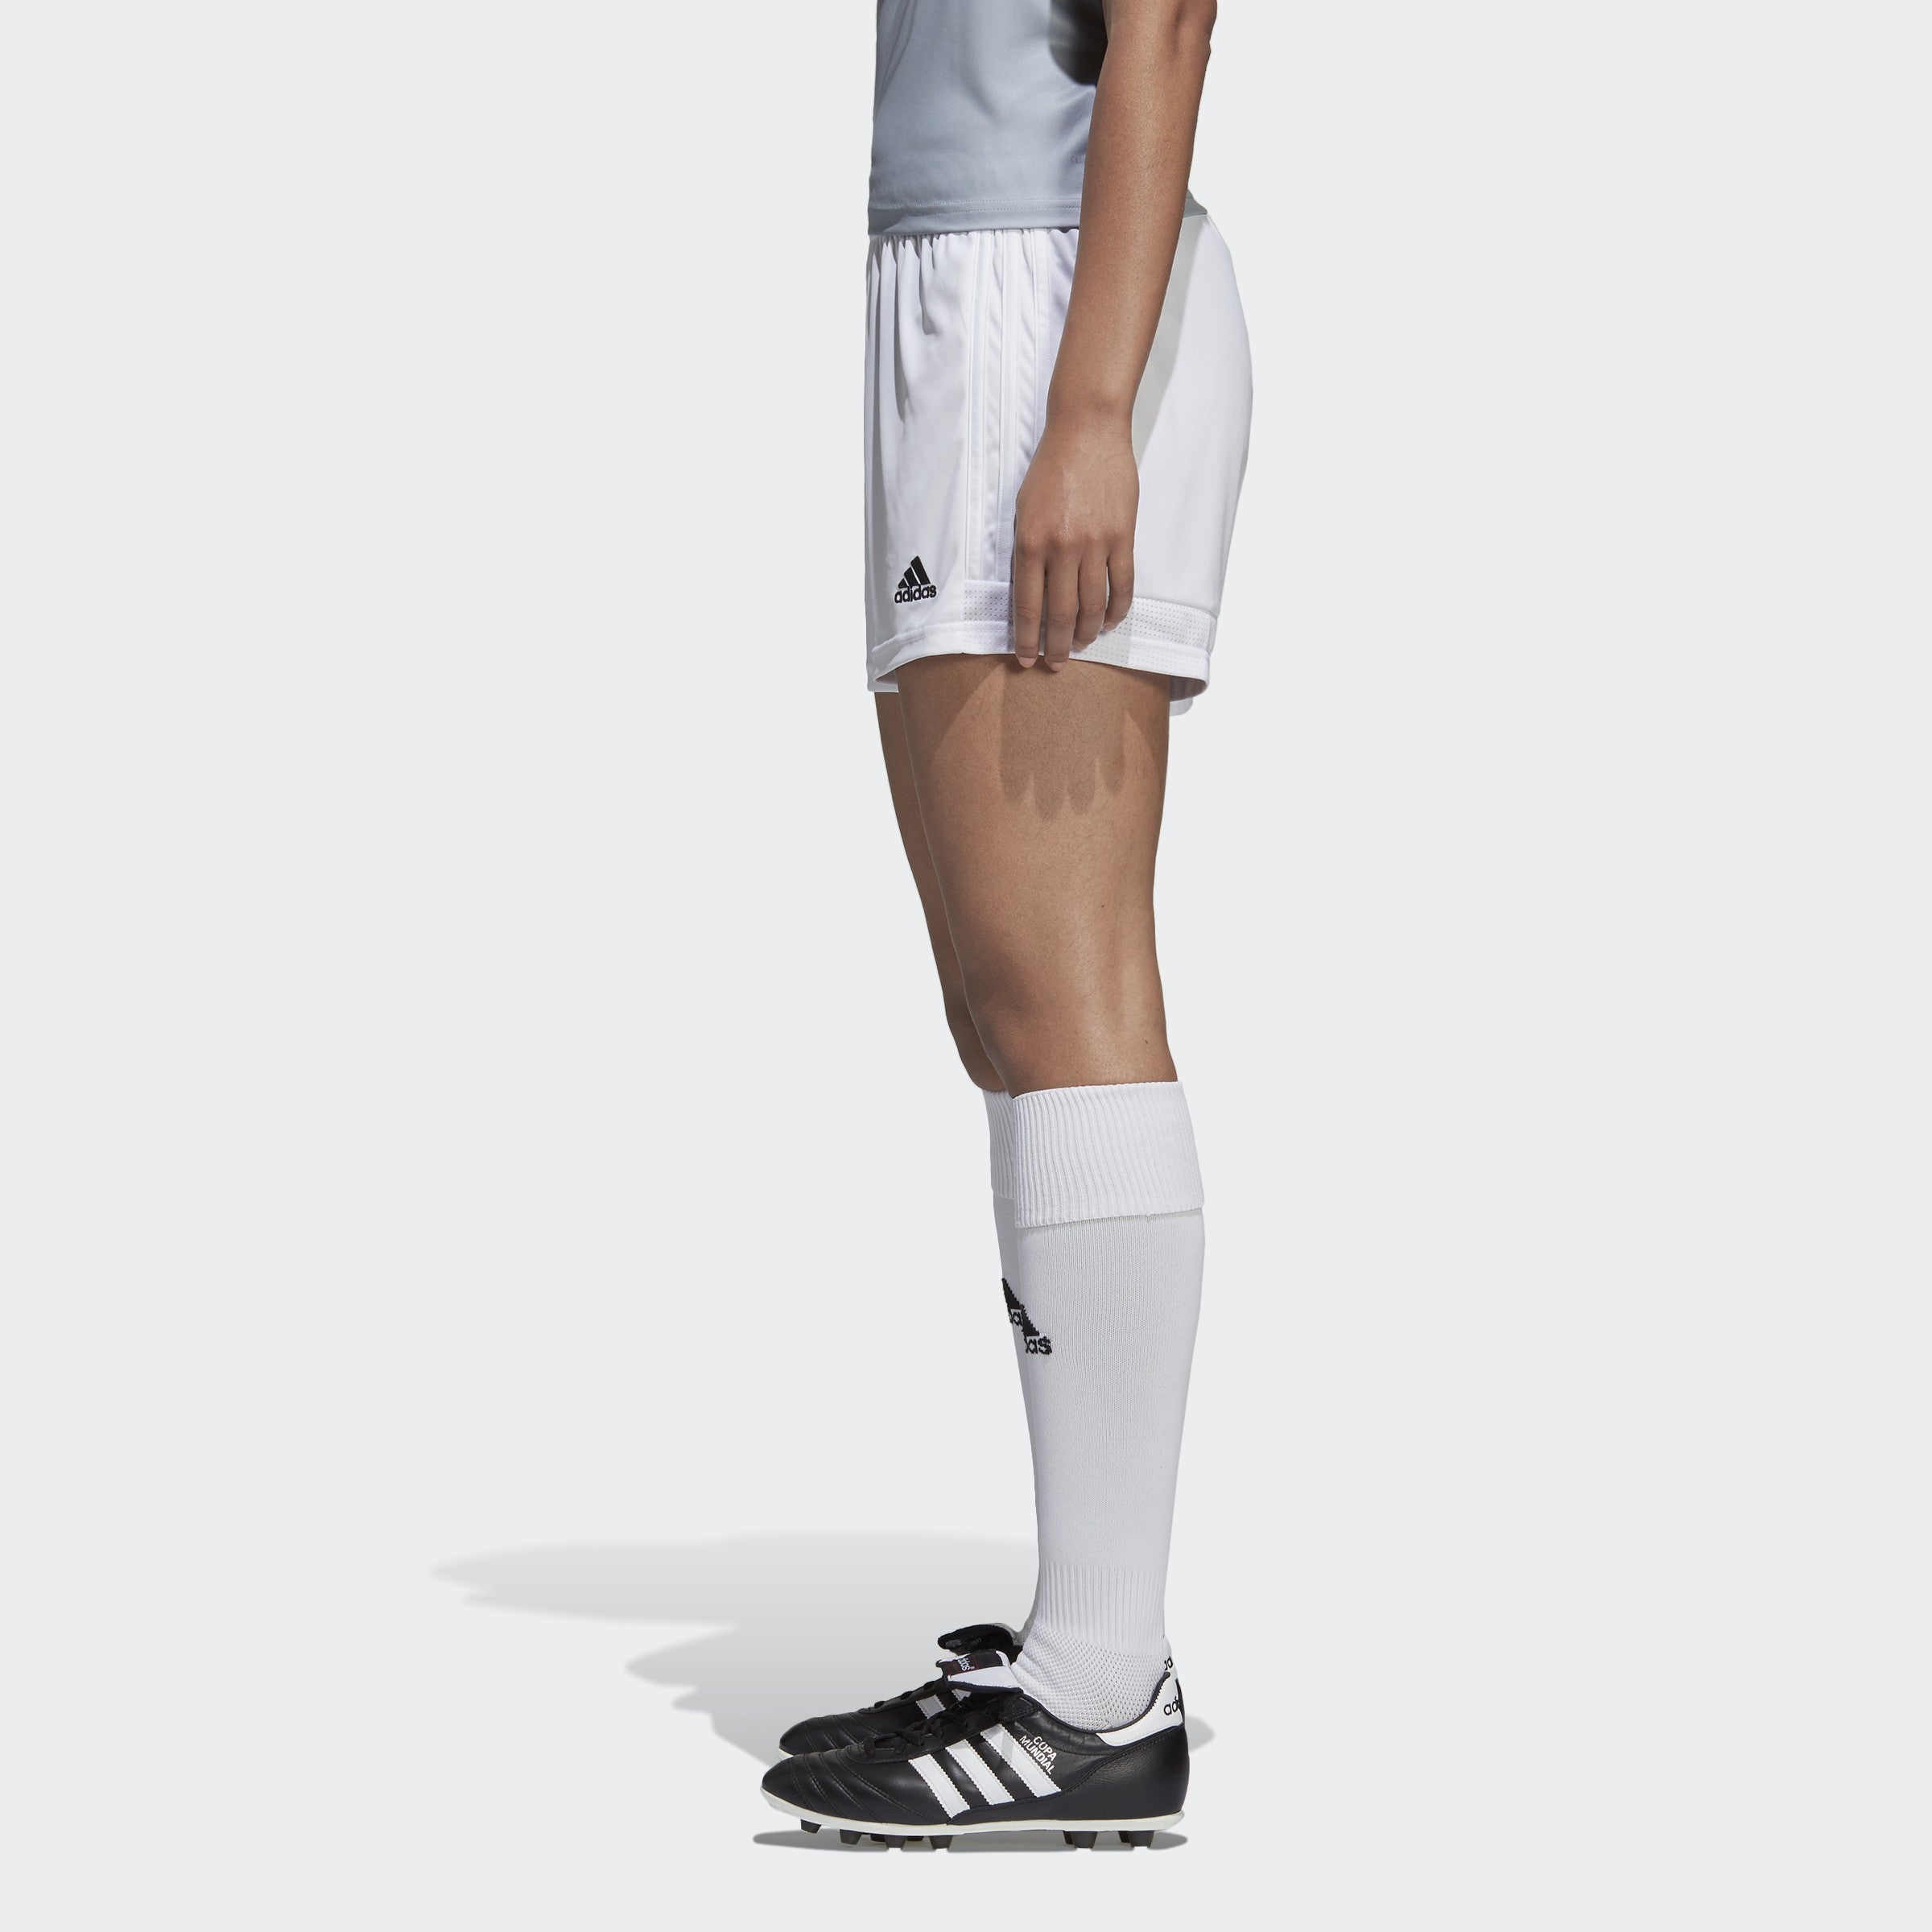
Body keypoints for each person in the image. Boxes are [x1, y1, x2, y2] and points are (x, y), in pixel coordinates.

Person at [762, 0, 1249, 1847]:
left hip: (1041, 307)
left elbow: (1166, 23)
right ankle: (1076, 1645)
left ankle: (1100, 1694)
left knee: (1065, 992)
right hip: (959, 284)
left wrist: (1092, 413)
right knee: (1001, 1005)